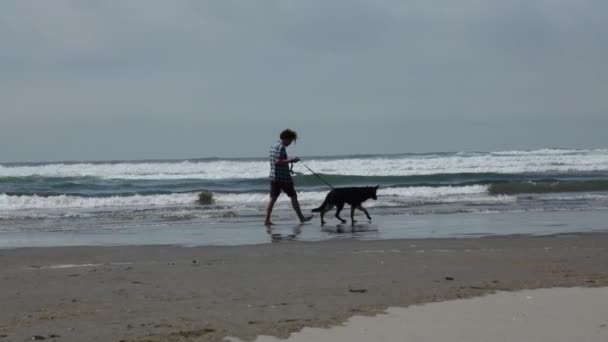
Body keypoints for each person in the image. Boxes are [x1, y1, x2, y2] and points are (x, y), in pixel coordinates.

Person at [264, 129, 313, 226]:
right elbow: (278, 161)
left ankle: (267, 220)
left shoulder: (273, 146)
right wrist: (291, 160)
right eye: (291, 140)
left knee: (272, 198)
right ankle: (301, 218)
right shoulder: (282, 147)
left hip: (274, 176)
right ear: (286, 138)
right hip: (283, 178)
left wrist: (288, 165)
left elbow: (275, 162)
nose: (291, 143)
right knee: (293, 196)